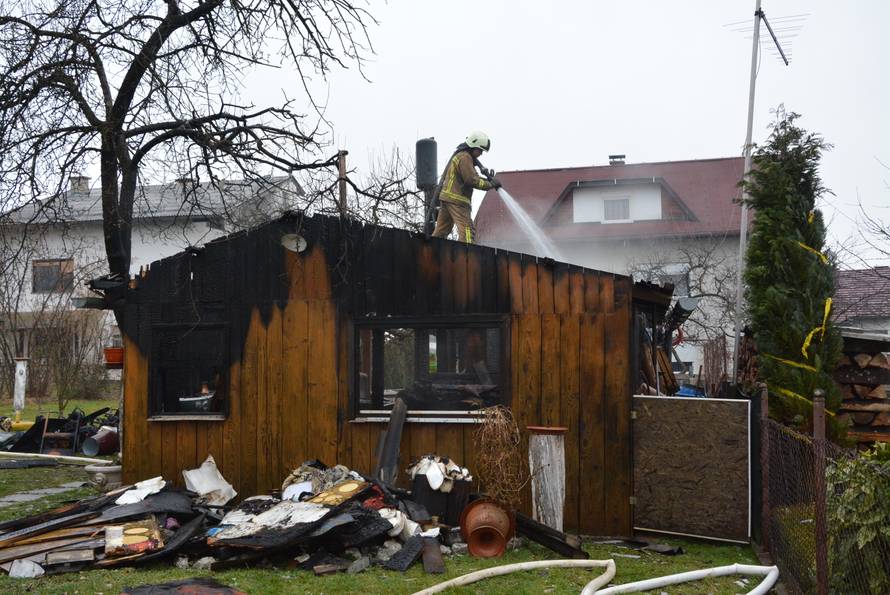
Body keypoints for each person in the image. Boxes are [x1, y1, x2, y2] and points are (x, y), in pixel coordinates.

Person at [431, 131, 501, 243]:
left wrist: (488, 181)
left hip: (447, 198)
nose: (481, 154)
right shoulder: (465, 157)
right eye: (480, 150)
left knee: (441, 231)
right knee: (467, 232)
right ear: (473, 146)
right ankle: (467, 257)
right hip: (458, 201)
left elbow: (472, 177)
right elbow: (471, 180)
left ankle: (429, 250)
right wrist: (490, 185)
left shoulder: (461, 156)